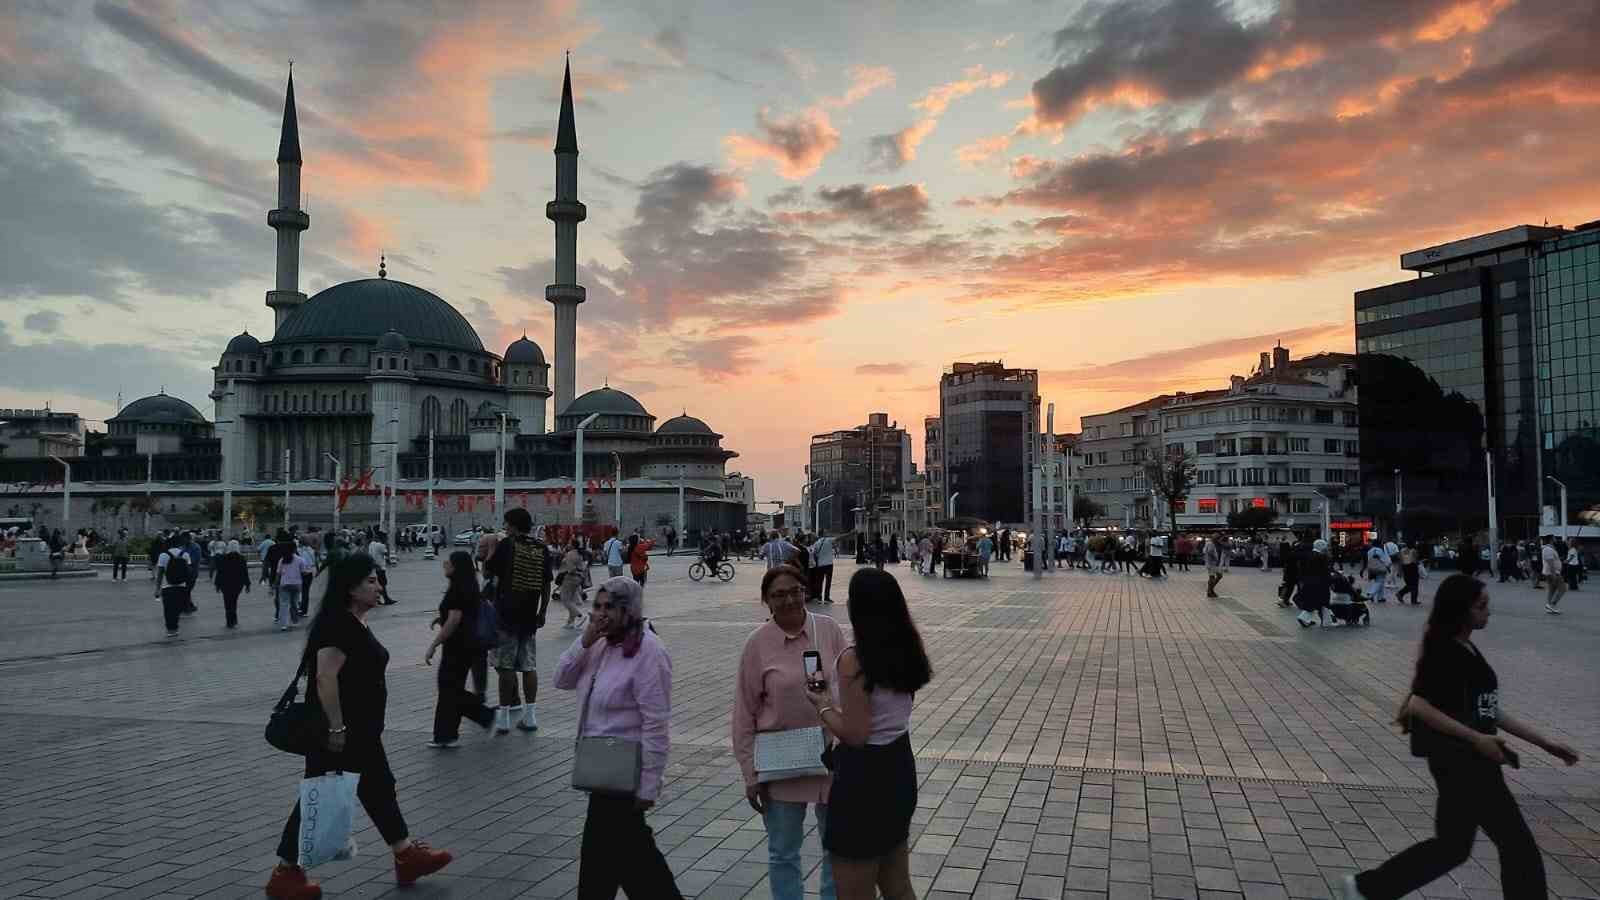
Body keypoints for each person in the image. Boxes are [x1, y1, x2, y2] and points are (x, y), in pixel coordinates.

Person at [1340, 575, 1579, 900]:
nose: (1488, 613)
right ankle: (1367, 889)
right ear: (1461, 611)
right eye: (1482, 607)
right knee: (1516, 844)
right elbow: (1418, 704)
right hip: (1464, 762)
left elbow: (1489, 710)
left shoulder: (1464, 646)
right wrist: (1476, 739)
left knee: (1452, 847)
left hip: (1465, 761)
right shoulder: (1445, 651)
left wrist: (1545, 743)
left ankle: (1368, 889)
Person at [264, 553, 454, 900]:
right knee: (320, 794)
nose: (378, 586)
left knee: (378, 787)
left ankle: (405, 853)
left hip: (361, 730)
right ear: (350, 588)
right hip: (340, 733)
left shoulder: (354, 621)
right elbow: (325, 678)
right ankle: (286, 873)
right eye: (371, 580)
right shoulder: (337, 624)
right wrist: (336, 728)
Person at [553, 576, 683, 900]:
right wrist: (583, 640)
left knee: (614, 863)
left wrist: (650, 783)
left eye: (609, 607)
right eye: (596, 606)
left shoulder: (648, 652)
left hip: (626, 774)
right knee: (621, 862)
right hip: (602, 772)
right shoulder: (598, 643)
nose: (600, 614)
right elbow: (562, 679)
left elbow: (656, 724)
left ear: (629, 609)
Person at [805, 568, 931, 900]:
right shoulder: (906, 649)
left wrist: (822, 705)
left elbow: (857, 734)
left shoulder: (854, 660)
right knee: (898, 884)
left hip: (864, 781)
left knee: (854, 891)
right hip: (899, 767)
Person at [733, 564, 845, 900]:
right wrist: (749, 772)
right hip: (781, 762)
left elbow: (849, 686)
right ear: (766, 601)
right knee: (783, 852)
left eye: (795, 591)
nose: (789, 600)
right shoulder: (758, 644)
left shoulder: (828, 630)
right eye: (778, 595)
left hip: (830, 758)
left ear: (806, 591)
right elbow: (744, 711)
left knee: (836, 849)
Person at [486, 509, 550, 732]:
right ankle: (530, 716)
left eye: (506, 524)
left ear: (513, 525)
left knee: (505, 666)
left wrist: (493, 547)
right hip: (529, 616)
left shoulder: (508, 545)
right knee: (528, 665)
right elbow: (546, 584)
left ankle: (504, 718)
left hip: (505, 616)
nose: (505, 527)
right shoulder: (541, 548)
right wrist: (542, 611)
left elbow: (488, 572)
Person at [424, 551, 496, 749]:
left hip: (457, 647)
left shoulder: (457, 589)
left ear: (457, 566)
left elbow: (455, 620)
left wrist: (434, 644)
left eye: (450, 561)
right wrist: (441, 619)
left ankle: (486, 716)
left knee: (449, 690)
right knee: (450, 690)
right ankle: (446, 735)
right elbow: (461, 616)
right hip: (467, 646)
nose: (445, 563)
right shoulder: (468, 587)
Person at [154, 537, 194, 639]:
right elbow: (189, 572)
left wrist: (157, 589)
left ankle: (170, 630)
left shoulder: (163, 555)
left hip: (167, 586)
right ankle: (175, 627)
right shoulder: (185, 554)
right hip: (181, 586)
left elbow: (160, 574)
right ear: (179, 544)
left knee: (168, 609)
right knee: (177, 609)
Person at [276, 543, 314, 632]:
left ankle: (284, 625)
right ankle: (294, 621)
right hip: (296, 585)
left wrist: (275, 584)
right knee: (294, 603)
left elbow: (278, 573)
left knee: (284, 604)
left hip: (284, 584)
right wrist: (310, 571)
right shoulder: (300, 560)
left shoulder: (282, 560)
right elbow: (304, 572)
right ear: (294, 549)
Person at [213, 539, 251, 629]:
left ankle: (229, 621)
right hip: (237, 584)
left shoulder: (223, 558)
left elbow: (220, 572)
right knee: (234, 601)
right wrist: (247, 585)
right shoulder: (241, 558)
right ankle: (234, 620)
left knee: (227, 602)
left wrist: (217, 585)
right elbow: (245, 572)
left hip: (225, 584)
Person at [556, 538, 588, 629]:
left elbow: (570, 569)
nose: (568, 545)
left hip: (570, 578)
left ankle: (580, 615)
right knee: (571, 599)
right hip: (578, 579)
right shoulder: (579, 553)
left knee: (565, 599)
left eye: (569, 543)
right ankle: (570, 622)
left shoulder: (570, 554)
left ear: (572, 545)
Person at [1540, 535, 1565, 614]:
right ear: (1550, 540)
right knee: (1562, 589)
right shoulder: (1548, 549)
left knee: (1552, 589)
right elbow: (1550, 562)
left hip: (1551, 572)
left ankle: (1549, 606)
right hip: (1552, 573)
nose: (1555, 540)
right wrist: (1554, 574)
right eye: (1554, 538)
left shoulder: (1550, 548)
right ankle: (1552, 605)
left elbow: (1553, 560)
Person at [368, 534, 395, 605]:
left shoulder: (371, 544)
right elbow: (387, 554)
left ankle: (377, 599)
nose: (386, 540)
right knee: (383, 584)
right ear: (383, 538)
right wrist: (387, 545)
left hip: (373, 566)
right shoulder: (381, 546)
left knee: (377, 584)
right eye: (386, 538)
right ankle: (386, 599)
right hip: (380, 567)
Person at [812, 531, 837, 603]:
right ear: (823, 534)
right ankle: (826, 598)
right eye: (826, 533)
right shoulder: (828, 540)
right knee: (828, 582)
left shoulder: (816, 543)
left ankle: (819, 598)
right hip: (829, 564)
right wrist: (851, 533)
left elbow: (814, 554)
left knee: (820, 581)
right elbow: (840, 538)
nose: (827, 534)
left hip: (820, 565)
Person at [1203, 534, 1228, 599]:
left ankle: (1210, 590)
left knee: (1218, 576)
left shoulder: (1211, 543)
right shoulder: (1211, 544)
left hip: (1213, 563)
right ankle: (1210, 591)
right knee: (1212, 577)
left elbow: (1204, 551)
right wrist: (1215, 558)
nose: (1220, 540)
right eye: (1219, 539)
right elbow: (1210, 551)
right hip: (1212, 563)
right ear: (1216, 539)